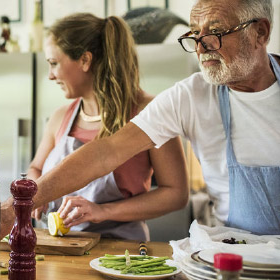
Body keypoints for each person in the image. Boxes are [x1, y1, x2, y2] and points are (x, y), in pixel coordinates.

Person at [0, 0, 279, 245]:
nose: (200, 46)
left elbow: (174, 192)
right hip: (233, 255)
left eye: (216, 32)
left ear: (260, 32)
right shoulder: (190, 96)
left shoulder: (148, 102)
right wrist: (19, 205)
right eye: (195, 34)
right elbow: (105, 152)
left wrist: (102, 212)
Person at [26, 13, 188, 241]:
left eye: (54, 63)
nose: (51, 75)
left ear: (85, 60)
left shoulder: (150, 113)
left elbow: (176, 194)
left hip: (121, 252)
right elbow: (35, 168)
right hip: (58, 248)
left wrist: (103, 211)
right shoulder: (61, 116)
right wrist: (35, 190)